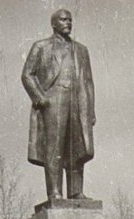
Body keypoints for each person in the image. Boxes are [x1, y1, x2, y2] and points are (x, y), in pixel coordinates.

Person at [22, 8, 95, 200]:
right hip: (54, 101)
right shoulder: (41, 47)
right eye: (63, 20)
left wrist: (91, 111)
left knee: (77, 146)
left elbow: (88, 82)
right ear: (54, 24)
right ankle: (55, 191)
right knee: (54, 147)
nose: (68, 23)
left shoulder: (81, 50)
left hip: (77, 102)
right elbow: (27, 74)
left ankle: (76, 191)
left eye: (70, 20)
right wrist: (41, 98)